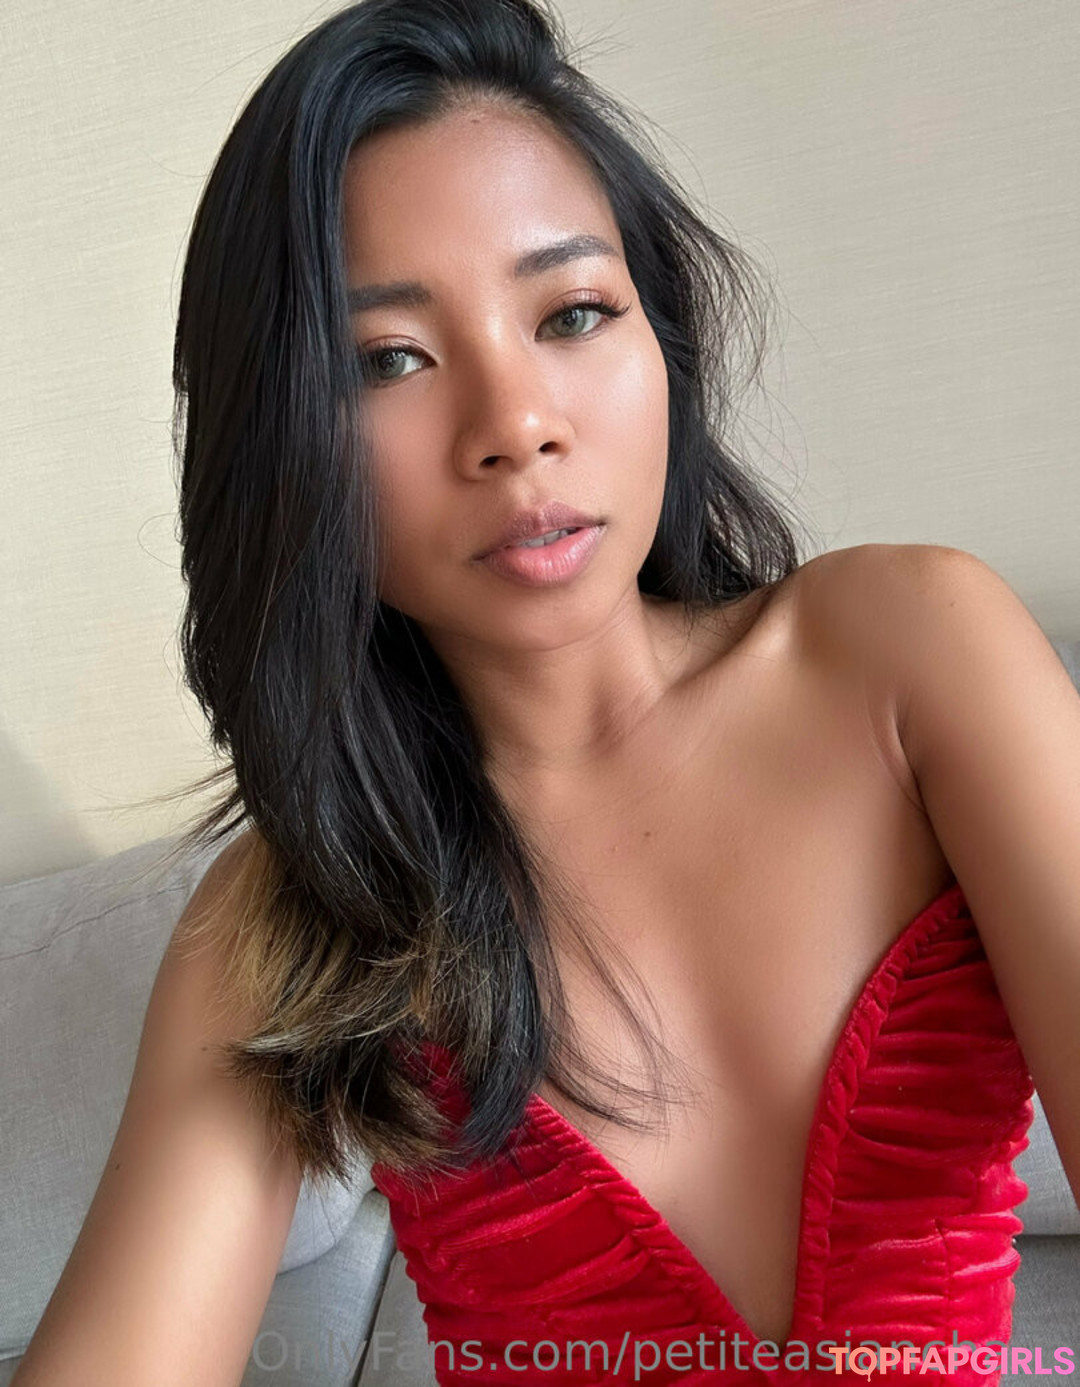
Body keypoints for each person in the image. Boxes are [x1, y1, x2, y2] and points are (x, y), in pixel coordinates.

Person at [13, 0, 1079, 1384]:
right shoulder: (287, 914)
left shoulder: (907, 655)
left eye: (572, 313)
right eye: (388, 359)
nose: (517, 424)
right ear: (282, 441)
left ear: (662, 337)